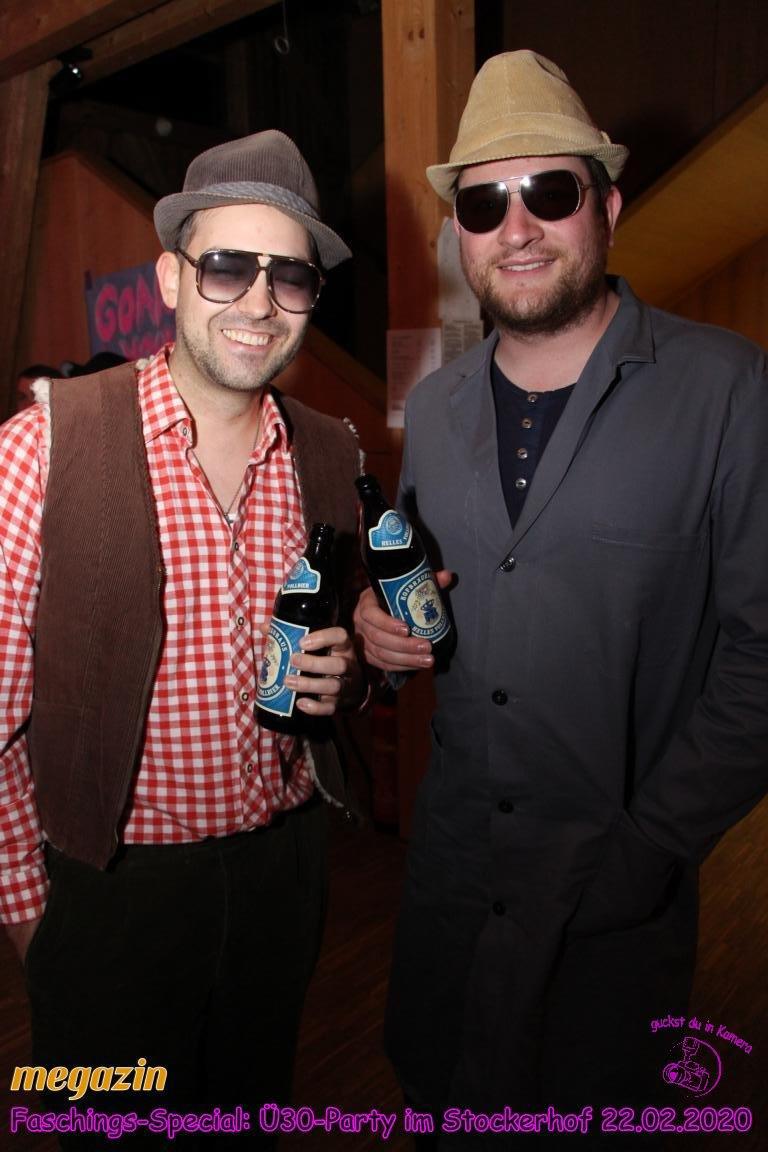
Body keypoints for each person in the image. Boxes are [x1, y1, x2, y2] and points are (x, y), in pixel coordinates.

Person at [354, 50, 768, 1147]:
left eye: (551, 190)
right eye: (483, 202)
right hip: (452, 887)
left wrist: (651, 843)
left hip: (612, 899)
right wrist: (380, 629)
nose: (518, 227)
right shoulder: (433, 409)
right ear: (460, 236)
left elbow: (763, 654)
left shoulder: (727, 388)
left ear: (609, 208)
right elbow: (420, 590)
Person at [0, 129, 367, 1146]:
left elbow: (348, 653)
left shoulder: (332, 453)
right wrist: (32, 916)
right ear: (170, 277)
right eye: (227, 266)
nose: (259, 301)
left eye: (290, 276)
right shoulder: (46, 445)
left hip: (283, 878)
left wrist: (352, 674)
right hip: (112, 893)